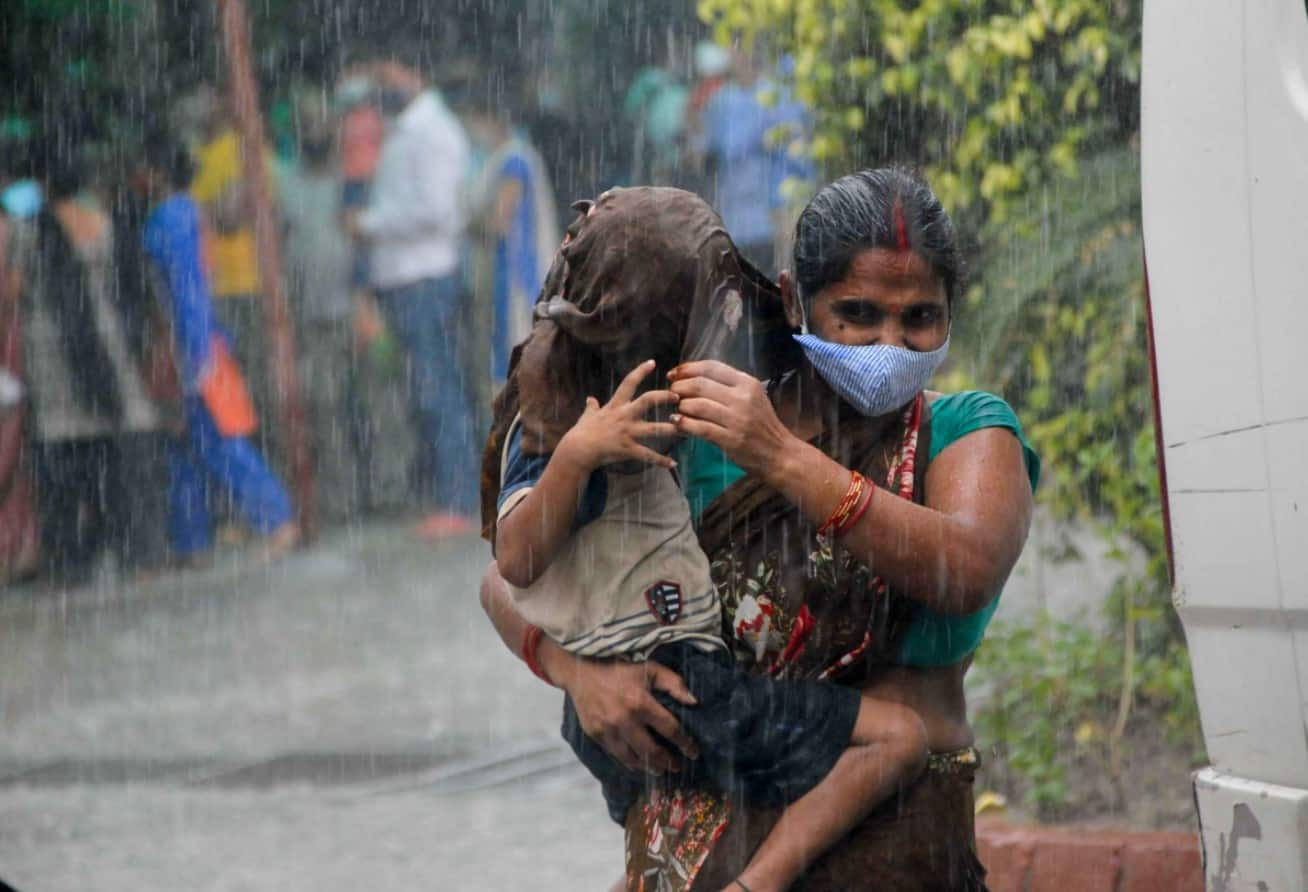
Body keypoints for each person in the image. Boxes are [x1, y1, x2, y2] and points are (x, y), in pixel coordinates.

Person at [482, 168, 1039, 890]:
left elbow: (964, 570)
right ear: (795, 301)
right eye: (859, 313)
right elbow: (509, 573)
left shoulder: (963, 430)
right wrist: (578, 675)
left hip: (892, 850)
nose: (890, 343)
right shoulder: (701, 428)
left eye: (920, 318)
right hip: (698, 851)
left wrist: (780, 456)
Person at [139, 135, 298, 564]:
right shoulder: (187, 213)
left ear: (154, 174)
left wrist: (195, 357)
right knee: (192, 442)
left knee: (214, 439)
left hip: (192, 349)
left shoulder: (169, 219)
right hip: (198, 343)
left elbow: (185, 292)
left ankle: (275, 519)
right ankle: (193, 539)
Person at [19, 150, 171, 584]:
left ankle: (72, 562)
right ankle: (136, 552)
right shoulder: (105, 223)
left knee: (61, 459)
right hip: (108, 346)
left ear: (44, 186)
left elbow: (12, 290)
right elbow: (135, 287)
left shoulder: (34, 232)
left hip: (53, 352)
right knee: (114, 453)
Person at [346, 58, 480, 538]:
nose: (379, 86)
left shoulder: (433, 133)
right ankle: (447, 494)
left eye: (386, 75)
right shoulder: (405, 130)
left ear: (413, 73)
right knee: (426, 391)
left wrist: (369, 224)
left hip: (426, 276)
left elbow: (438, 212)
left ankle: (458, 498)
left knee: (437, 389)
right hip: (404, 279)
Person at [278, 94, 364, 524]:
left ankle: (385, 492)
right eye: (306, 124)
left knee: (369, 403)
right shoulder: (284, 183)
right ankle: (341, 499)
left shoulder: (351, 179)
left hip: (356, 308)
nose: (314, 132)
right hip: (311, 314)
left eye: (320, 124)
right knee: (326, 407)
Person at [188, 84, 280, 465]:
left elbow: (229, 214)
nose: (193, 104)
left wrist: (190, 213)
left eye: (201, 94)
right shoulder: (191, 156)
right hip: (209, 293)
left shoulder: (245, 149)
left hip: (247, 287)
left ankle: (278, 487)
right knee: (224, 400)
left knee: (259, 392)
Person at [462, 101, 560, 383]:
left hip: (518, 275)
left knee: (518, 363)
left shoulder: (513, 160)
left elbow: (499, 221)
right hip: (508, 274)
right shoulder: (504, 158)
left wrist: (467, 223)